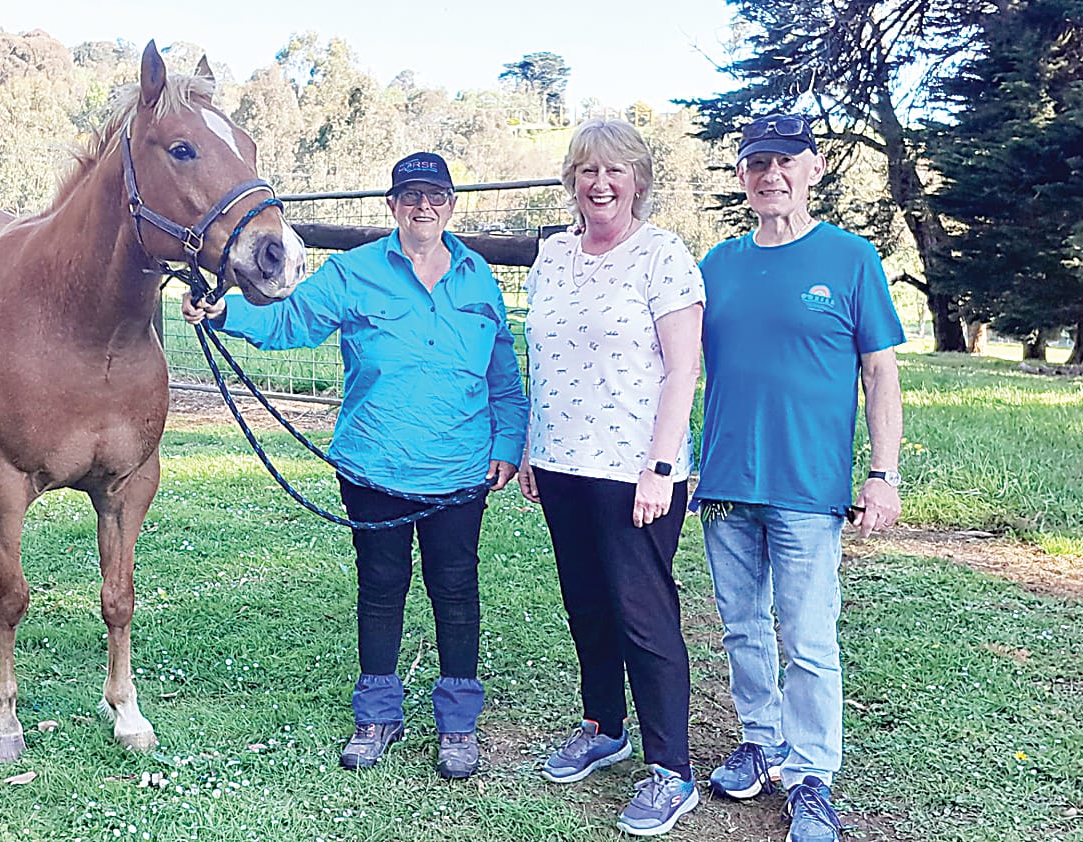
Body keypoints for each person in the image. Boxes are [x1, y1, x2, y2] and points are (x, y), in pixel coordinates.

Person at [181, 152, 527, 780]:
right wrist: (225, 312)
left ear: (451, 205)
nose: (424, 207)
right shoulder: (354, 272)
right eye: (411, 196)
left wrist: (509, 442)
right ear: (393, 206)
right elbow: (291, 320)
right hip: (374, 463)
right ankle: (376, 714)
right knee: (382, 586)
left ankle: (457, 723)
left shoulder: (479, 279)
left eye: (436, 196)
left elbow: (502, 370)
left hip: (461, 468)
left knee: (455, 589)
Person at [694, 113, 905, 842]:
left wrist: (883, 473)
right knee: (742, 625)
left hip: (809, 490)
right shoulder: (716, 265)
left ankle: (812, 776)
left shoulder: (850, 259)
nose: (770, 175)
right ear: (743, 176)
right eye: (757, 163)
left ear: (814, 169)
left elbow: (880, 375)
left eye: (785, 161)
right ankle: (761, 740)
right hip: (723, 484)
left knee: (808, 636)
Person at [516, 118, 705, 837]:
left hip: (636, 472)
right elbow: (544, 356)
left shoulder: (663, 256)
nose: (600, 184)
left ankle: (671, 770)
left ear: (639, 182)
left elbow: (683, 368)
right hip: (563, 464)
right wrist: (534, 446)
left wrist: (661, 466)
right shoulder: (553, 255)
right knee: (587, 605)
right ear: (572, 180)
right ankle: (603, 725)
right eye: (588, 171)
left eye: (616, 172)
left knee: (644, 615)